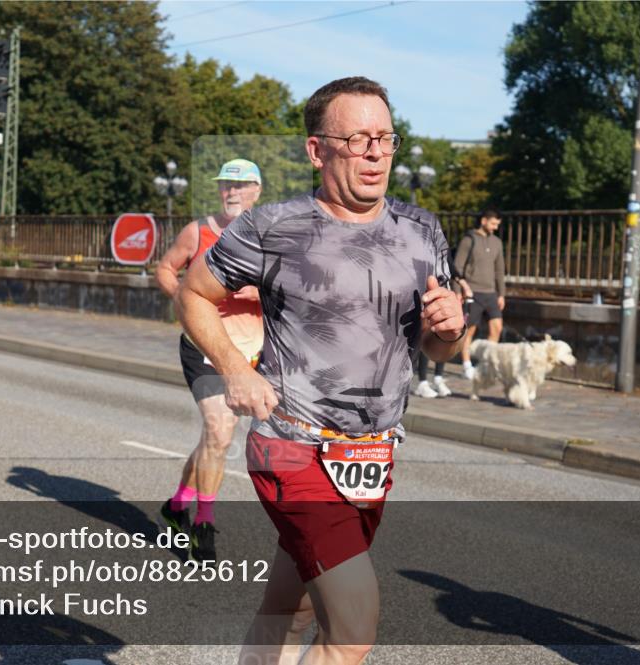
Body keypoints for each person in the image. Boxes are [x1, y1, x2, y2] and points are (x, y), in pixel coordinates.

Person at [177, 77, 465, 663]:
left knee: (293, 610)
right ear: (317, 150)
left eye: (385, 138)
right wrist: (234, 368)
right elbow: (192, 293)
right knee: (353, 625)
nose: (375, 154)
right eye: (357, 139)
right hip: (292, 446)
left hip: (373, 455)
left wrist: (451, 328)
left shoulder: (422, 230)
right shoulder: (272, 227)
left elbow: (437, 351)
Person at [156, 158, 264, 562]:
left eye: (240, 185)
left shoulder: (268, 236)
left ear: (256, 191)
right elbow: (166, 269)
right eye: (225, 185)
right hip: (203, 346)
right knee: (219, 432)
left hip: (250, 349)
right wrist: (185, 301)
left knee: (213, 438)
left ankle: (177, 505)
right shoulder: (198, 231)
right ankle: (204, 524)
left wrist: (261, 293)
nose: (231, 192)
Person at [455, 208, 505, 380]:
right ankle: (466, 365)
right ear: (483, 221)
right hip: (472, 292)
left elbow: (499, 270)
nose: (495, 227)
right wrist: (458, 291)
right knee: (469, 331)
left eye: (497, 225)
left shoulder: (497, 242)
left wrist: (501, 294)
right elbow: (457, 267)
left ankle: (486, 364)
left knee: (497, 328)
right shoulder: (468, 240)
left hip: (491, 293)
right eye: (493, 224)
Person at [413, 259, 473, 398]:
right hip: (423, 291)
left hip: (442, 289)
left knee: (444, 332)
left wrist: (461, 283)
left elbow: (449, 263)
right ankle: (422, 382)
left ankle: (438, 377)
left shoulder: (438, 246)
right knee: (425, 332)